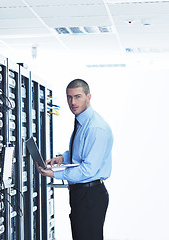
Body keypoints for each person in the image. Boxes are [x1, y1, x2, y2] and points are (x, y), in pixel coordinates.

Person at [37, 79, 113, 240]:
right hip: (83, 193)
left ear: (88, 97)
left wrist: (54, 175)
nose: (72, 102)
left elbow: (88, 170)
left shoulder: (95, 128)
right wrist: (62, 158)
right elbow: (80, 152)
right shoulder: (83, 122)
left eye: (78, 96)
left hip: (90, 194)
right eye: (69, 97)